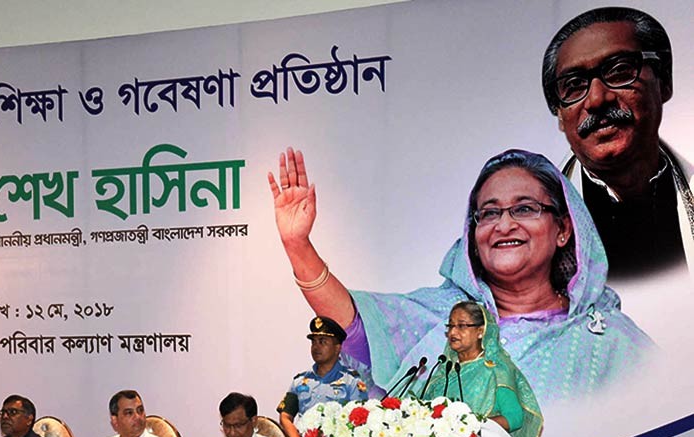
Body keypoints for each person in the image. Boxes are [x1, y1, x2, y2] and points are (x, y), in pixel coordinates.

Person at [268, 147, 652, 410]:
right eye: (488, 213)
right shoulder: (440, 318)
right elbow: (354, 323)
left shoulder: (609, 341)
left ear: (564, 229)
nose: (504, 224)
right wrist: (298, 245)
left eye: (524, 208)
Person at [541, 7, 693, 279]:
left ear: (664, 83)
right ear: (560, 115)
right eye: (574, 85)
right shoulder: (524, 232)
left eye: (619, 71)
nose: (598, 99)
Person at [421, 301, 542, 437]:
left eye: (461, 325)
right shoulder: (442, 374)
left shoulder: (495, 371)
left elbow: (514, 417)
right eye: (450, 326)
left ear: (480, 331)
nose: (453, 332)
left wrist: (470, 429)